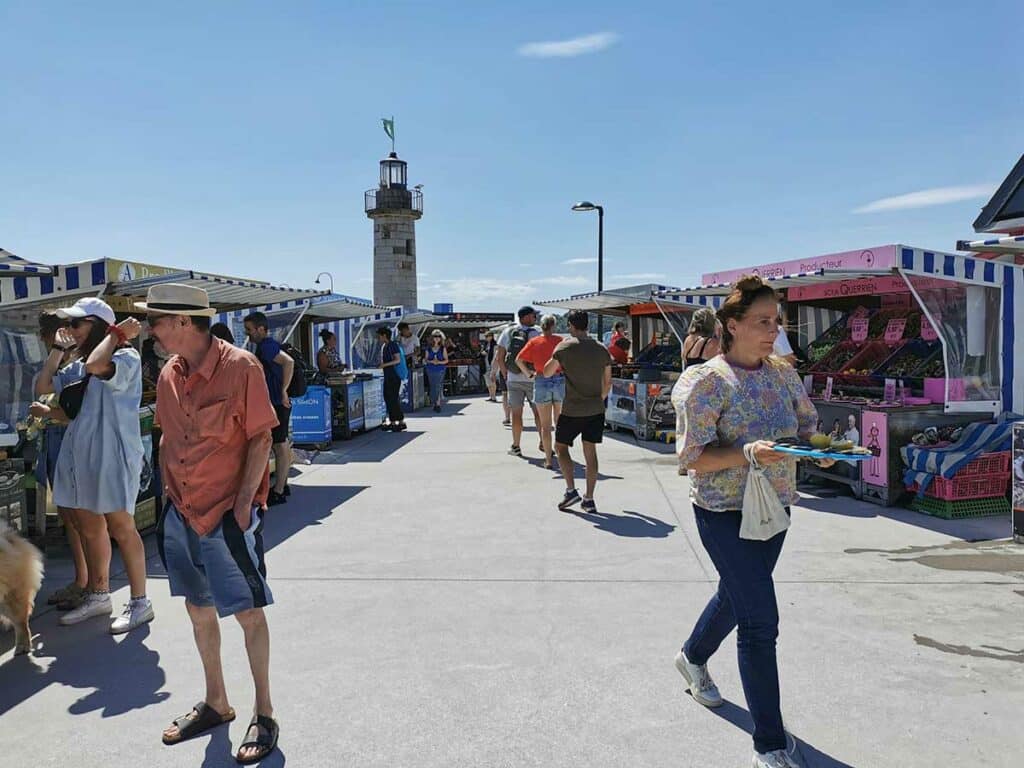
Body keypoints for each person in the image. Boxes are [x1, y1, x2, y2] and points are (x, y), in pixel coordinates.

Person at [671, 275, 827, 768]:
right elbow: (691, 456)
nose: (772, 330)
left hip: (776, 507)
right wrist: (745, 453)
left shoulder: (782, 374)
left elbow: (805, 427)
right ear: (732, 326)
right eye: (762, 321)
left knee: (736, 597)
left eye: (776, 321)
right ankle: (770, 743)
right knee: (760, 620)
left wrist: (824, 451)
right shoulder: (705, 382)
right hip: (722, 512)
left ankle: (692, 657)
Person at [140, 284, 280, 763]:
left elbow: (261, 440)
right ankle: (217, 702)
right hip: (180, 512)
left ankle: (264, 712)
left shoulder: (242, 367)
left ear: (182, 322)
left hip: (226, 517)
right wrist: (167, 500)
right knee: (198, 608)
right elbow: (165, 437)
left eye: (155, 321)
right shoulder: (167, 375)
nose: (149, 330)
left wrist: (243, 507)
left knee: (247, 612)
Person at [33, 297, 152, 633]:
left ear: (98, 325)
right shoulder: (76, 363)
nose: (69, 330)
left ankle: (141, 601)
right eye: (68, 325)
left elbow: (97, 367)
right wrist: (57, 349)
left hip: (112, 455)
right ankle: (99, 594)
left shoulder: (124, 356)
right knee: (88, 525)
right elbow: (43, 388)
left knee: (121, 527)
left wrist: (114, 336)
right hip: (79, 454)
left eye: (76, 324)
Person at [31, 312, 89, 611]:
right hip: (58, 443)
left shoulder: (78, 368)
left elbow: (72, 412)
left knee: (79, 518)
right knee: (71, 517)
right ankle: (84, 580)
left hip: (69, 442)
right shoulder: (66, 366)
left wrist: (47, 414)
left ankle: (87, 582)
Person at [543, 309, 612, 512]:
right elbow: (607, 382)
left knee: (561, 447)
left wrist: (557, 351)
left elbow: (547, 372)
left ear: (571, 326)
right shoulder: (601, 349)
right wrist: (597, 399)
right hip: (595, 409)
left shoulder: (564, 347)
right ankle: (589, 498)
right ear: (588, 325)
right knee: (590, 452)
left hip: (572, 409)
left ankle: (571, 489)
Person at [243, 312, 294, 506]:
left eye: (250, 330)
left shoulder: (267, 346)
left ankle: (279, 490)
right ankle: (283, 485)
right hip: (276, 402)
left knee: (279, 446)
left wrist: (283, 391)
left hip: (277, 402)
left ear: (261, 329)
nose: (248, 334)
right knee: (281, 444)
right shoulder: (264, 346)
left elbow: (288, 362)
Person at [516, 314, 564, 470]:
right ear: (554, 326)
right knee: (559, 423)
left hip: (541, 380)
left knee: (545, 426)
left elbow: (518, 360)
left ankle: (549, 460)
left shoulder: (534, 342)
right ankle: (562, 454)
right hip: (558, 379)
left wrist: (529, 374)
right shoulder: (560, 341)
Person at [496, 306, 541, 457]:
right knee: (539, 413)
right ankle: (544, 441)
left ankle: (516, 446)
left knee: (516, 414)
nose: (535, 318)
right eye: (533, 315)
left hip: (514, 379)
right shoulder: (538, 332)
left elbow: (500, 356)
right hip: (534, 379)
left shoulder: (508, 331)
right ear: (526, 317)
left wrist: (505, 374)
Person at [378, 327, 407, 431]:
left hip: (394, 376)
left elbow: (397, 360)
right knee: (388, 398)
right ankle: (393, 421)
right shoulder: (385, 346)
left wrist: (384, 365)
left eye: (380, 335)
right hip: (388, 375)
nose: (379, 338)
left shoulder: (393, 345)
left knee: (393, 398)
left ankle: (400, 421)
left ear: (384, 335)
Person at [424, 330, 449, 412]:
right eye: (435, 336)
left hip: (440, 369)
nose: (437, 338)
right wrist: (432, 361)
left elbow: (446, 360)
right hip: (430, 369)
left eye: (439, 336)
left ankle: (438, 404)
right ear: (432, 337)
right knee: (432, 385)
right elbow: (426, 359)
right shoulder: (428, 348)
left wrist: (438, 362)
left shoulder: (442, 348)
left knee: (438, 385)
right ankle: (435, 402)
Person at [481, 330, 499, 402]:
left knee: (492, 380)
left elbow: (495, 355)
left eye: (487, 336)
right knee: (488, 382)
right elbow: (482, 351)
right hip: (485, 364)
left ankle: (494, 396)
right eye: (485, 337)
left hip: (491, 364)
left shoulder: (495, 344)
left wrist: (494, 365)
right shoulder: (486, 344)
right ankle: (491, 396)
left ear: (491, 336)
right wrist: (483, 352)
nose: (486, 338)